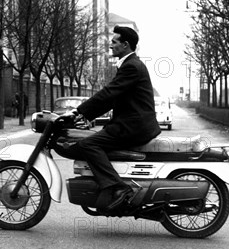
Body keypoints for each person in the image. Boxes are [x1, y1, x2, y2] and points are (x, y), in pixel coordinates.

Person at [66, 26, 161, 212]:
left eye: (114, 42)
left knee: (88, 144)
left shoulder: (132, 66)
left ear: (125, 45)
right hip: (131, 124)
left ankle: (117, 188)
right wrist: (86, 115)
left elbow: (109, 93)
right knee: (95, 139)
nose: (110, 45)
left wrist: (78, 111)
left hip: (133, 127)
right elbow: (113, 99)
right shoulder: (130, 65)